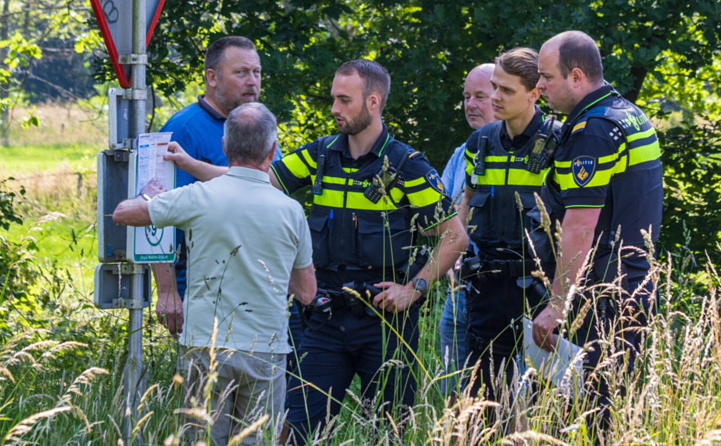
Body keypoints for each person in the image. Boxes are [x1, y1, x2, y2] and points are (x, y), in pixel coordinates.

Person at [166, 59, 469, 443]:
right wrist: (191, 164)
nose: (334, 109)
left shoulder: (407, 165)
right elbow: (251, 180)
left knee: (388, 434)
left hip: (387, 324)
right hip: (325, 319)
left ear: (373, 102)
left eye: (344, 100)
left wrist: (414, 289)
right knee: (291, 431)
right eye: (333, 99)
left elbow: (454, 237)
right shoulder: (320, 155)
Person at [113, 103, 316, 446]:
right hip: (265, 347)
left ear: (224, 147)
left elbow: (122, 213)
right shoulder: (291, 211)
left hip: (206, 344)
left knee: (203, 440)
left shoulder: (197, 198)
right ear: (271, 151)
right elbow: (307, 292)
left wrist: (151, 194)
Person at [529, 30, 663, 430]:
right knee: (613, 416)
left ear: (575, 76)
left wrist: (556, 305)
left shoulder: (594, 131)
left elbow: (580, 227)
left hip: (601, 297)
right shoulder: (628, 114)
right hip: (632, 287)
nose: (539, 86)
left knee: (584, 421)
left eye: (546, 78)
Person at [151, 36, 280, 339]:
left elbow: (274, 188)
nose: (252, 82)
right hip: (204, 290)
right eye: (241, 73)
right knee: (208, 384)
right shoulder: (182, 128)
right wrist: (167, 291)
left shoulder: (260, 123)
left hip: (259, 286)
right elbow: (158, 215)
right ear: (212, 77)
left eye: (257, 72)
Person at [457, 48, 560, 400]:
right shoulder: (481, 141)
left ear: (535, 93)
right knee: (485, 399)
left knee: (544, 399)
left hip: (539, 287)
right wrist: (455, 250)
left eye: (507, 90)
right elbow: (467, 201)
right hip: (487, 287)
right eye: (495, 87)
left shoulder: (559, 143)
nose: (496, 97)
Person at [437, 62, 494, 396]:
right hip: (459, 289)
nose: (470, 104)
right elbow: (437, 217)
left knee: (504, 384)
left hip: (511, 288)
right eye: (466, 96)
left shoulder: (522, 153)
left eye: (480, 97)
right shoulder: (463, 154)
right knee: (455, 384)